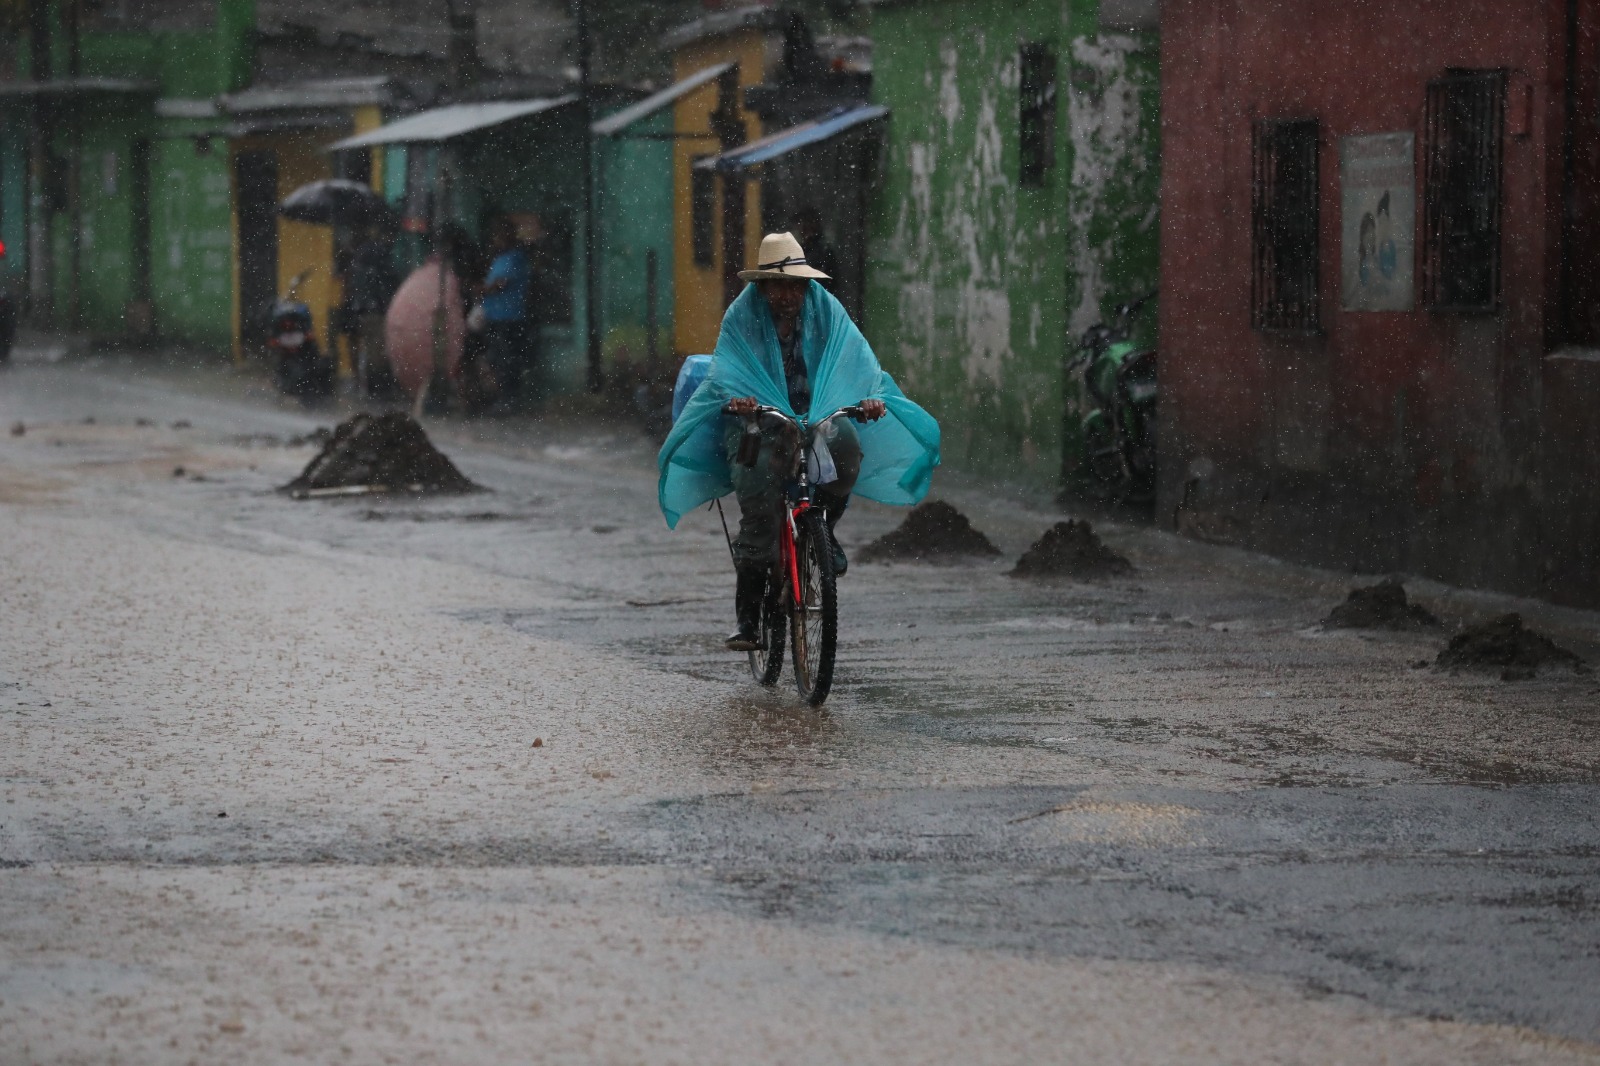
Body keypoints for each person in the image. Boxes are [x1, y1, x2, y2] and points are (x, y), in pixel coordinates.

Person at [656, 231, 942, 651]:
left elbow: (857, 360)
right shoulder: (742, 317)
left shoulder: (825, 310)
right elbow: (725, 372)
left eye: (797, 285)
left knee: (846, 451)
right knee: (758, 501)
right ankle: (748, 618)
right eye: (781, 285)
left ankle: (823, 533)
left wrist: (869, 399)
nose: (790, 294)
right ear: (763, 286)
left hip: (815, 415)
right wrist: (739, 400)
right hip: (758, 420)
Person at [480, 216, 533, 411]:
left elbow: (500, 284)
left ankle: (510, 399)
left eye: (499, 235)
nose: (496, 239)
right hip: (495, 317)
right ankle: (503, 398)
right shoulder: (499, 258)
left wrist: (480, 289)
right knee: (497, 359)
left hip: (509, 317)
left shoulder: (515, 258)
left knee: (508, 360)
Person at [347, 221, 401, 396]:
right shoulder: (380, 254)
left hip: (362, 308)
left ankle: (368, 386)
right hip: (375, 310)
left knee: (370, 349)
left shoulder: (363, 252)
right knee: (376, 353)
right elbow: (385, 283)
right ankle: (376, 390)